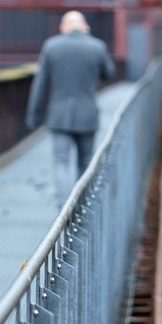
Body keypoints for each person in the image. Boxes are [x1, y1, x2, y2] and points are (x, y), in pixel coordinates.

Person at [26, 11, 117, 198]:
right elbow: (108, 73)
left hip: (59, 115)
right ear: (85, 27)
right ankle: (81, 208)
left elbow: (40, 83)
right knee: (85, 161)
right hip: (87, 114)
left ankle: (63, 207)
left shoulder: (51, 46)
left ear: (63, 28)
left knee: (61, 161)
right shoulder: (97, 46)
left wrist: (34, 114)